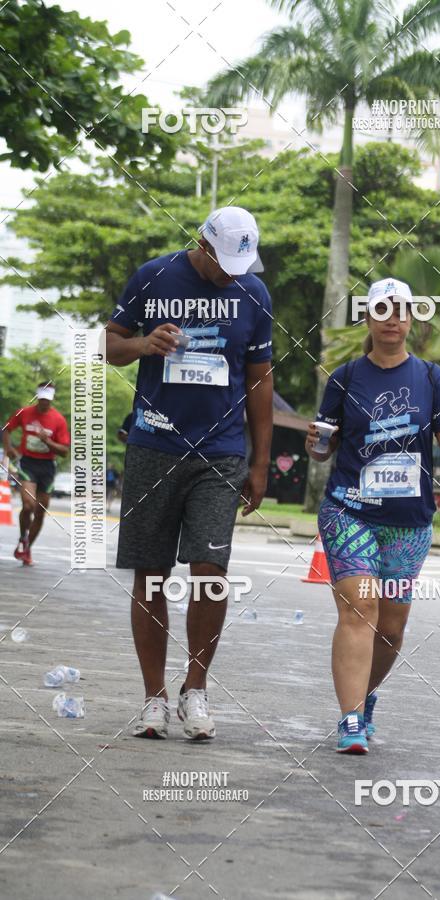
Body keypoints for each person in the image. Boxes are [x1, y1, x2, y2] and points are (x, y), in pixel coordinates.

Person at [106, 206, 273, 741]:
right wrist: (142, 343)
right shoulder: (152, 276)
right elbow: (108, 345)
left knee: (211, 568)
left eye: (238, 265)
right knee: (150, 572)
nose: (230, 274)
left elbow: (259, 379)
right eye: (222, 262)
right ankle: (153, 698)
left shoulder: (253, 294)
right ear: (200, 244)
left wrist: (261, 462)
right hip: (154, 442)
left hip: (220, 453)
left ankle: (194, 688)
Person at [306, 278, 440, 754]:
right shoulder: (345, 377)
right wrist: (316, 444)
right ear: (368, 317)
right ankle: (349, 720)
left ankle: (365, 697)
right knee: (359, 608)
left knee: (389, 629)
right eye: (383, 308)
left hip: (408, 521)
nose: (393, 317)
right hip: (350, 510)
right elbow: (325, 445)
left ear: (411, 318)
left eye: (401, 309)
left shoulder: (430, 378)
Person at [2, 382, 70, 566]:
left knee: (40, 512)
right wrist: (8, 448)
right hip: (28, 464)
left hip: (47, 467)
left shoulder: (58, 420)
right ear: (37, 397)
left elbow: (64, 451)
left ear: (51, 400)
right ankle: (23, 536)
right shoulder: (24, 413)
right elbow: (6, 428)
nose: (44, 404)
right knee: (28, 505)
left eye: (47, 401)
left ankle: (26, 548)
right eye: (41, 400)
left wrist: (47, 441)